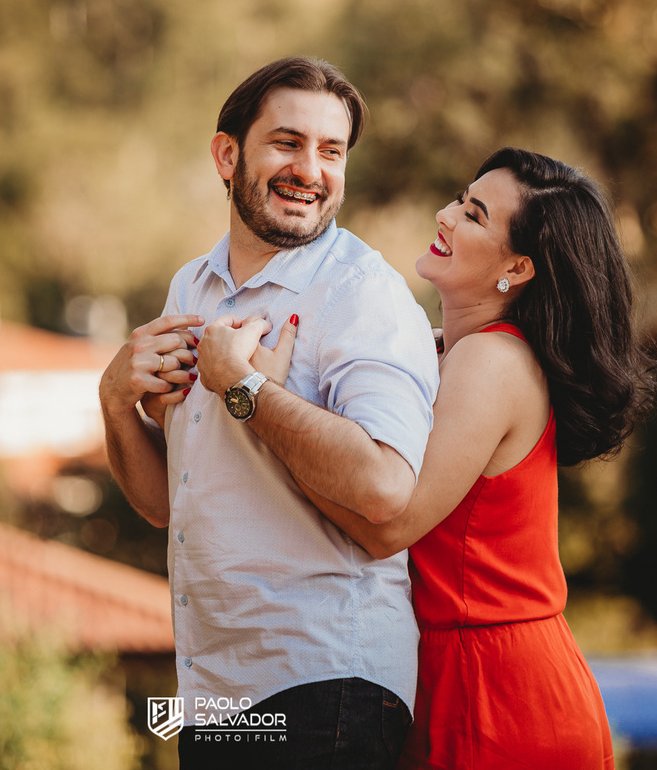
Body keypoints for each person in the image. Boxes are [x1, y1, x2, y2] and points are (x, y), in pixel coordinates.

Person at [196, 147, 657, 769]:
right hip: (445, 668)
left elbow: (386, 523)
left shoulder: (495, 361)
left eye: (472, 214)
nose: (444, 215)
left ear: (516, 267)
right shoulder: (441, 351)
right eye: (459, 199)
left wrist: (251, 395)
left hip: (498, 690)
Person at [98, 56, 440, 768]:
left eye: (331, 151)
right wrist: (114, 403)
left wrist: (246, 391)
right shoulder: (191, 286)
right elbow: (168, 504)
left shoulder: (362, 296)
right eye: (287, 143)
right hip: (215, 689)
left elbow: (385, 487)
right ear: (229, 155)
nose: (309, 169)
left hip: (324, 681)